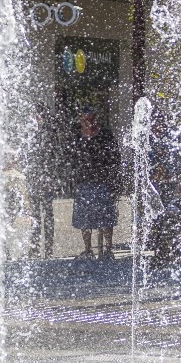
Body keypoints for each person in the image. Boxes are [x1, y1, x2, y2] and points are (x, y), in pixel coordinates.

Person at [69, 107, 120, 260]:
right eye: (86, 120)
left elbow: (115, 158)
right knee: (84, 218)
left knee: (106, 218)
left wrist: (115, 181)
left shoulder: (105, 135)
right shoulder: (76, 136)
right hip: (83, 182)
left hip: (103, 182)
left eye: (91, 119)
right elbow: (71, 158)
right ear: (81, 121)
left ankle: (108, 249)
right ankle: (88, 249)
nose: (89, 123)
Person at [25, 110, 63, 259]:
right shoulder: (29, 134)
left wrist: (50, 179)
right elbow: (25, 156)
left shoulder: (49, 135)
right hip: (33, 181)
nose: (33, 118)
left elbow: (55, 158)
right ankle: (34, 248)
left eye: (36, 115)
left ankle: (48, 250)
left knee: (47, 216)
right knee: (35, 216)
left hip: (45, 181)